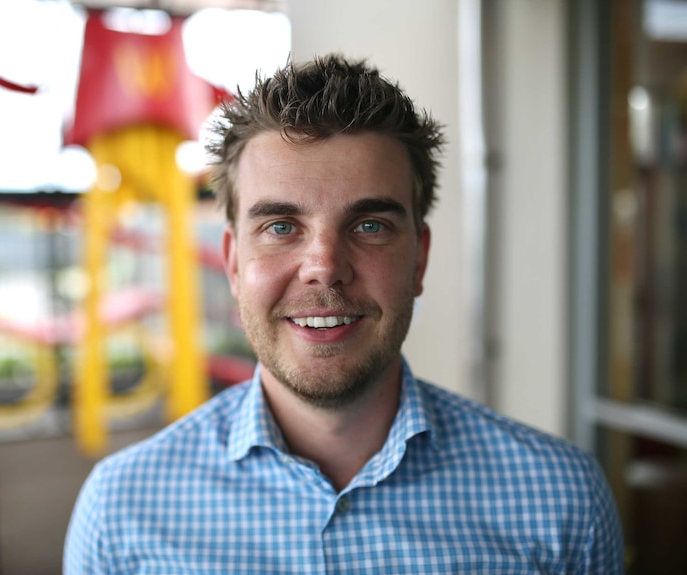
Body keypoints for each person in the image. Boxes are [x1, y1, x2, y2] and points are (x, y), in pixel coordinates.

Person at [64, 54, 624, 574]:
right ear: (234, 264)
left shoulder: (559, 500)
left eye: (370, 226)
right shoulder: (122, 513)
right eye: (281, 227)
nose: (325, 268)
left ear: (419, 258)